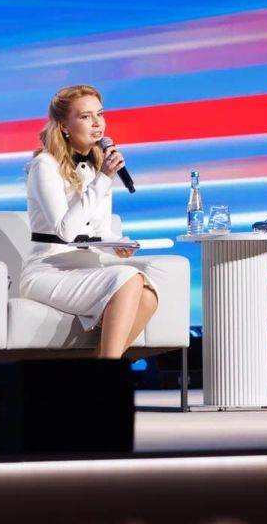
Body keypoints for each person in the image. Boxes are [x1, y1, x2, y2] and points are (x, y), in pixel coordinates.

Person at [20, 85, 158, 358]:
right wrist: (104, 178)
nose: (97, 123)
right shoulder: (45, 165)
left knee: (148, 296)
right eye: (86, 116)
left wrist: (117, 244)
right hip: (49, 270)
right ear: (64, 126)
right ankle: (108, 371)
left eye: (100, 114)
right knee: (130, 279)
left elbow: (99, 229)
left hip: (87, 266)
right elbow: (66, 231)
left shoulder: (97, 165)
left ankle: (95, 369)